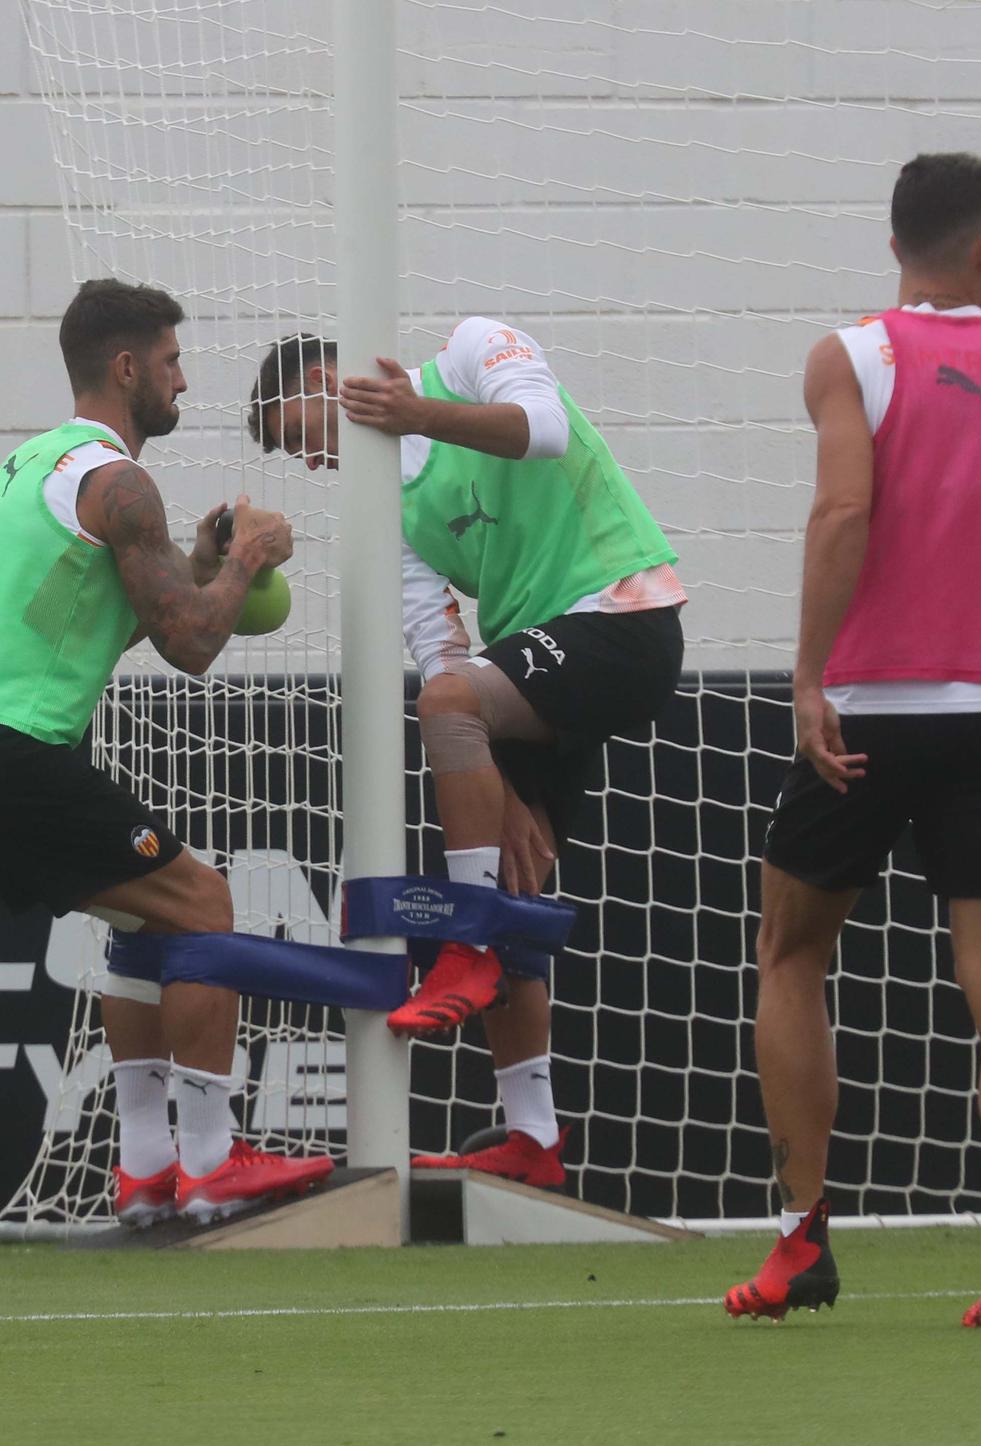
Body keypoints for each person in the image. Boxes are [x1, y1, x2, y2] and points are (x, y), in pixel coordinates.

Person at [0, 278, 333, 1226]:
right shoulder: (123, 481)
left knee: (147, 920)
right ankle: (211, 1165)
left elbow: (97, 628)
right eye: (171, 362)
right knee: (204, 902)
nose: (182, 380)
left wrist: (204, 565)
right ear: (127, 368)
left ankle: (143, 1172)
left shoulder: (36, 463)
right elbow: (193, 646)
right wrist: (250, 555)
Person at [725, 153, 981, 1328]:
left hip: (869, 710)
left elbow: (841, 513)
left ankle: (800, 1241)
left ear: (892, 246)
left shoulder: (852, 355)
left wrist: (808, 677)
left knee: (789, 953)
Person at [248, 317, 685, 1187]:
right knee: (519, 873)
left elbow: (545, 427)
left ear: (332, 383)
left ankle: (469, 944)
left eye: (303, 438)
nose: (312, 465)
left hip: (624, 618)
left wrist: (414, 415)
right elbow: (437, 641)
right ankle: (535, 1139)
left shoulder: (469, 353)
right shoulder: (389, 512)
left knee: (448, 710)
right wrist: (495, 776)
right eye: (294, 457)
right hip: (535, 667)